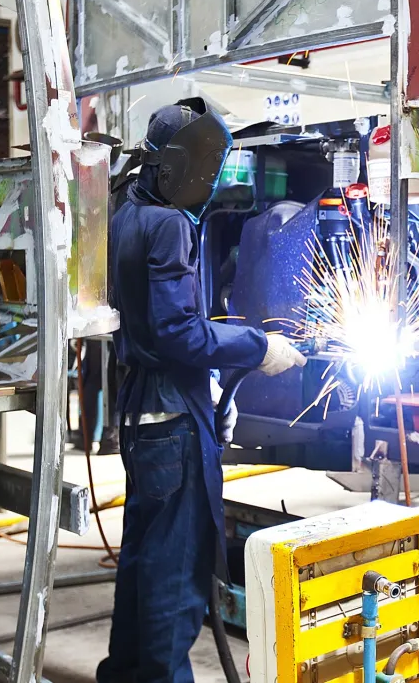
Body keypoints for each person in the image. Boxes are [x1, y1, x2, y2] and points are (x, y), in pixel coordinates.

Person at [97, 98, 305, 683]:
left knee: (143, 558)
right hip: (170, 423)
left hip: (142, 415)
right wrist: (256, 348)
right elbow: (177, 334)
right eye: (209, 173)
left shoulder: (124, 211)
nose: (212, 186)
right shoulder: (168, 225)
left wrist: (220, 386)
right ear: (182, 168)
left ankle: (124, 674)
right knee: (178, 575)